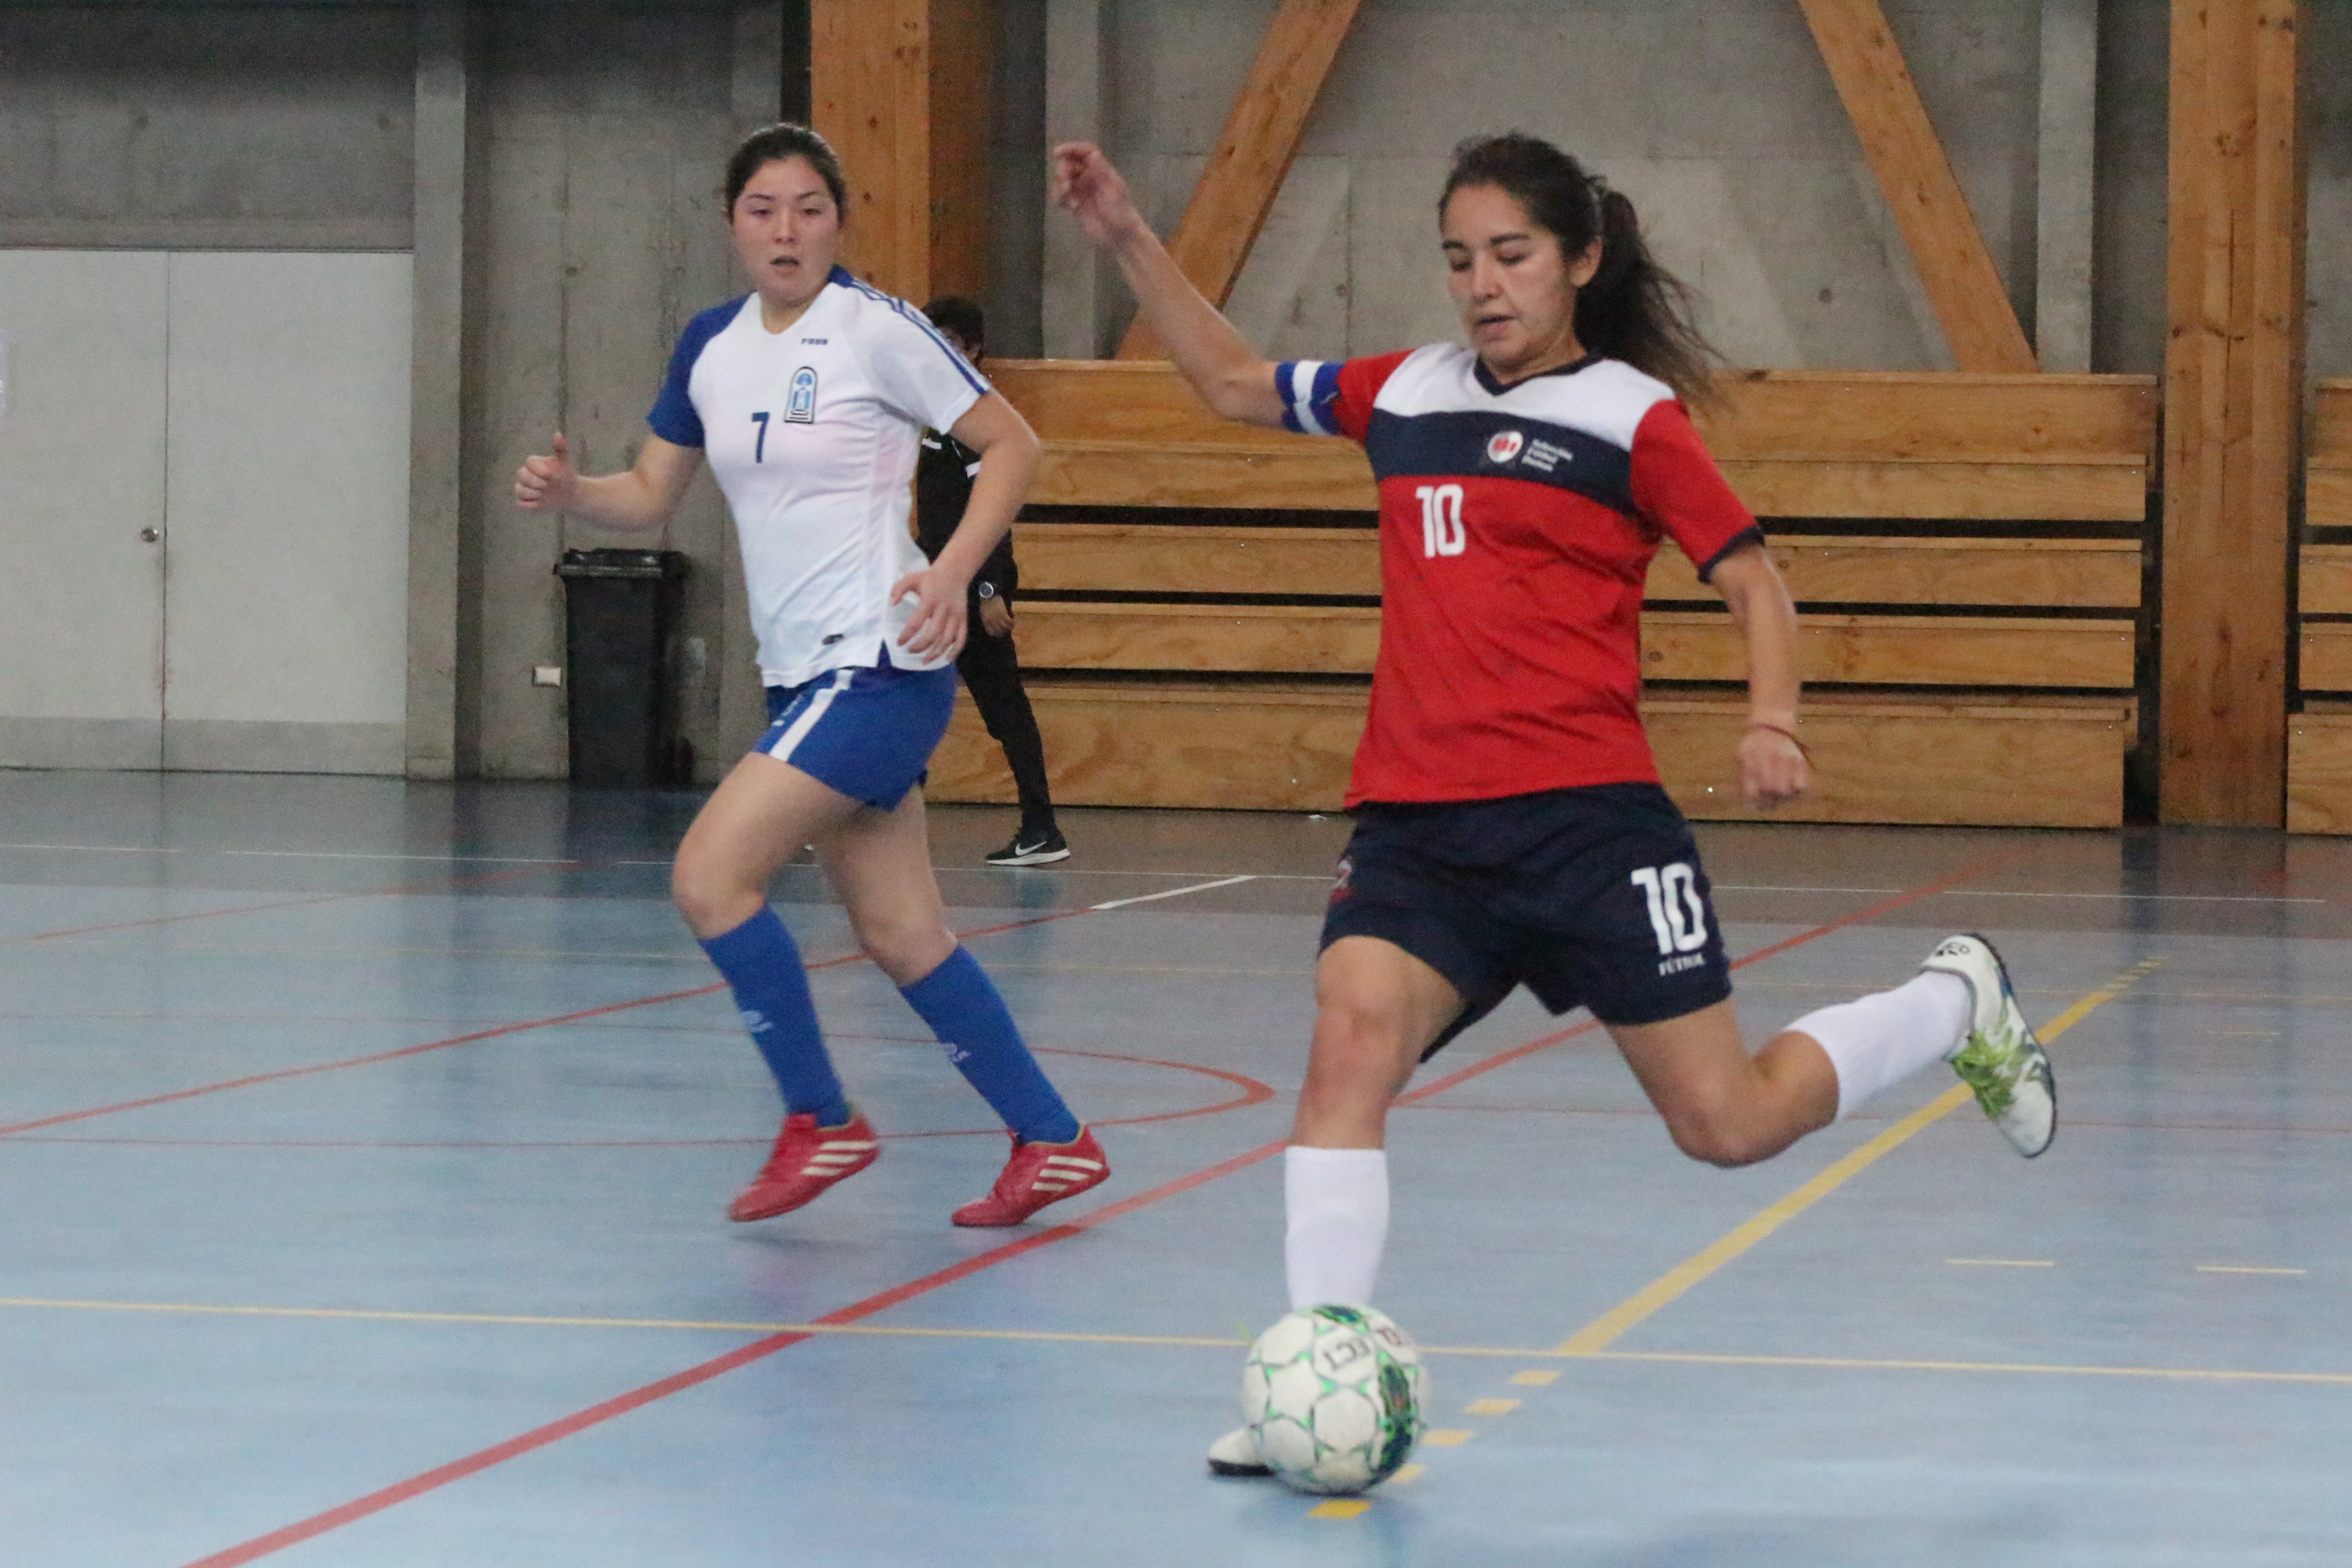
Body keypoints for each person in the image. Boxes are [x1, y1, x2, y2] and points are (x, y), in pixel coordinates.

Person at [1050, 131, 2057, 1476]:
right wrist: (1127, 236)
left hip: (1589, 830)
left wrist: (1771, 718)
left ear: (1580, 260)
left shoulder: (1632, 418)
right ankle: (1317, 1372)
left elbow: (1753, 581)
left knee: (1728, 1123)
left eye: (1512, 255)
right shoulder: (1401, 391)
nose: (1483, 283)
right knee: (1349, 1043)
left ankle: (1952, 1003)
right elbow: (1235, 382)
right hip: (1422, 830)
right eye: (1460, 259)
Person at [514, 123, 1109, 1228]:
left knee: (709, 875)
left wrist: (953, 570)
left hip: (877, 664)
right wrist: (572, 493)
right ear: (731, 223)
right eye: (762, 210)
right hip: (803, 678)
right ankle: (1053, 1137)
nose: (785, 230)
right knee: (903, 934)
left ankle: (820, 1116)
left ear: (838, 222)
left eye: (808, 209)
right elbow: (650, 493)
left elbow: (1014, 445)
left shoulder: (875, 330)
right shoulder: (710, 345)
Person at [914, 295, 1069, 866]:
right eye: (934, 339)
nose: (941, 351)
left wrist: (987, 590)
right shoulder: (937, 416)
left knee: (1003, 707)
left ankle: (1041, 827)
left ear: (974, 350)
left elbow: (994, 511)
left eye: (952, 342)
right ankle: (863, 818)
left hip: (970, 592)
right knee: (901, 701)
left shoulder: (978, 421)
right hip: (935, 587)